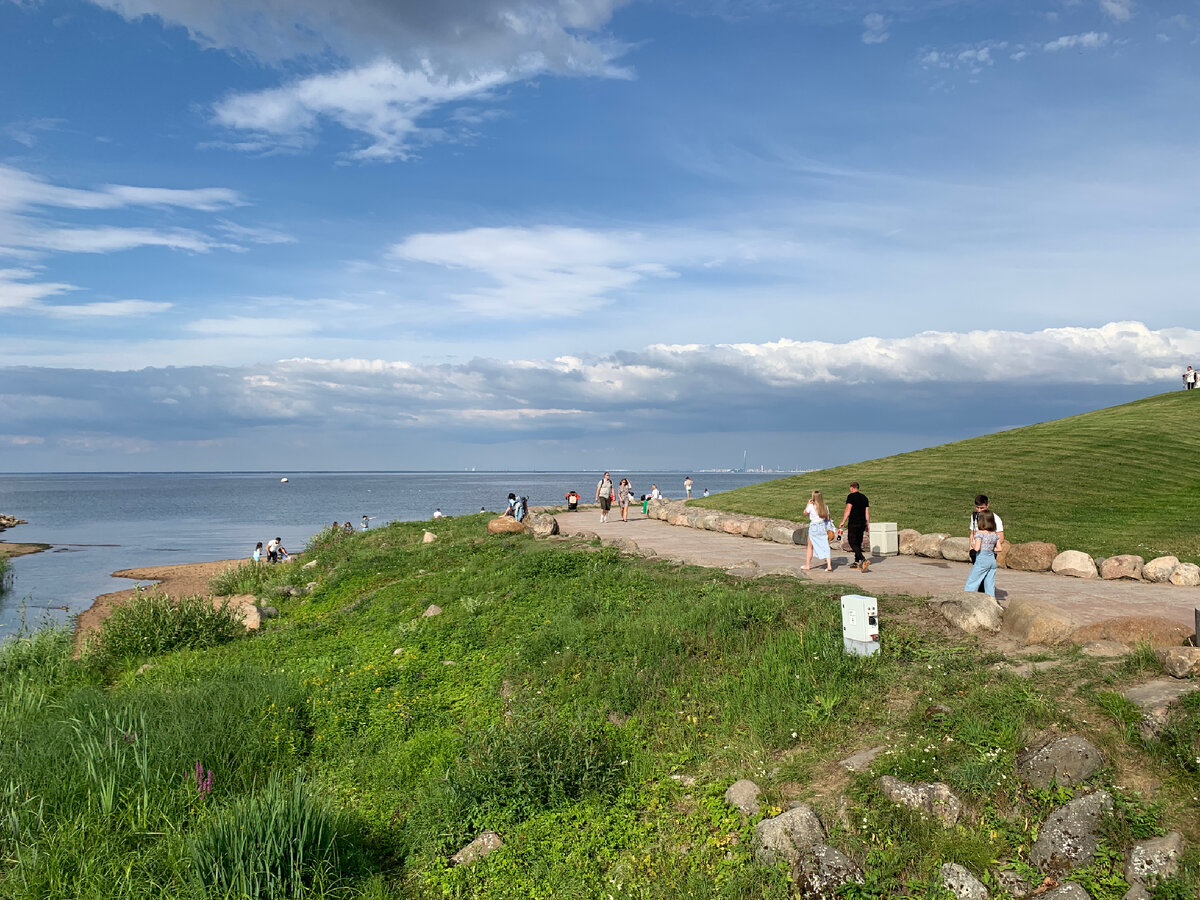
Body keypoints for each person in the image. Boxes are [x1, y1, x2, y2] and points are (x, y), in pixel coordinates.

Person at [964, 510, 999, 596]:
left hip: (982, 559)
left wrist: (972, 545)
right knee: (989, 584)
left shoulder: (979, 534)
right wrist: (989, 547)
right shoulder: (994, 534)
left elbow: (977, 548)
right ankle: (991, 601)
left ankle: (967, 599)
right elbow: (999, 548)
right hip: (992, 560)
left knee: (972, 582)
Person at [839, 482, 871, 571]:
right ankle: (856, 562)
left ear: (852, 488)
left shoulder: (851, 496)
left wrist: (843, 521)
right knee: (858, 542)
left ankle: (863, 559)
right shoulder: (865, 498)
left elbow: (848, 510)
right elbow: (867, 512)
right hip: (862, 523)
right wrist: (867, 524)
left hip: (854, 522)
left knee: (852, 542)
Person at [968, 495, 1005, 567]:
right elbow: (972, 533)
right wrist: (971, 548)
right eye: (977, 507)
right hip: (976, 550)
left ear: (987, 506)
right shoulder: (974, 516)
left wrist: (988, 547)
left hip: (988, 553)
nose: (979, 510)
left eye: (982, 508)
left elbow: (1001, 538)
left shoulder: (995, 518)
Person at [803, 490, 834, 572]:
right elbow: (827, 518)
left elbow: (805, 513)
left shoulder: (811, 506)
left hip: (814, 527)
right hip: (822, 526)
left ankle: (807, 565)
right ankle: (829, 565)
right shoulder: (825, 507)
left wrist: (808, 504)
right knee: (825, 545)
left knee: (810, 546)